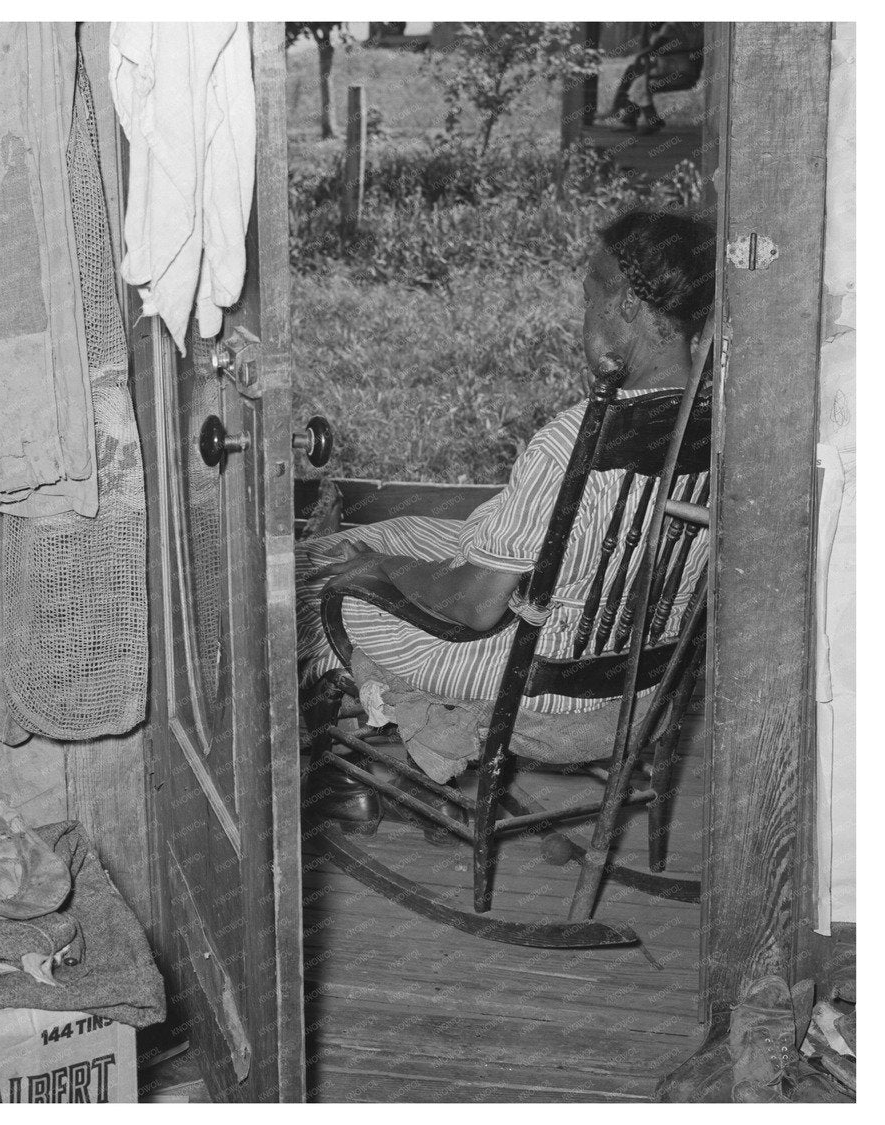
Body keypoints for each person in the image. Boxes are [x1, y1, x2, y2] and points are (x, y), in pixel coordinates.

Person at [297, 208, 716, 833]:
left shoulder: (572, 444)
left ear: (628, 304)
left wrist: (384, 569)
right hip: (644, 664)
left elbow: (476, 610)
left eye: (590, 295)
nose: (584, 315)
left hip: (548, 680)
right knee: (388, 531)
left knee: (321, 587)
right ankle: (394, 753)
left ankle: (329, 776)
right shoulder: (719, 413)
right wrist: (397, 550)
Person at [605, 22, 706, 135]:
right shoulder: (660, 29)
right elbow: (651, 49)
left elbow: (654, 48)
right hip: (665, 70)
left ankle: (634, 117)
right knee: (635, 75)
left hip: (678, 73)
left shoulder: (669, 27)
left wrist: (640, 55)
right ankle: (636, 118)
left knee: (638, 84)